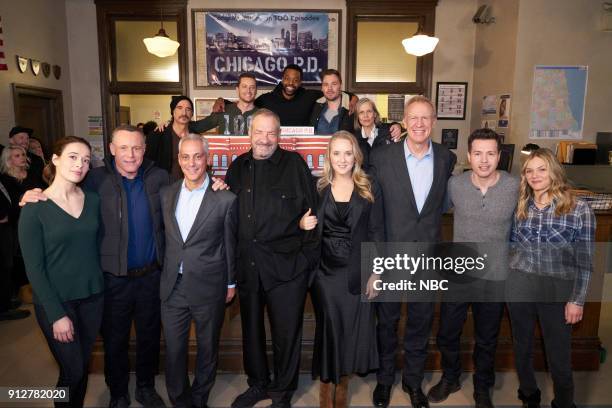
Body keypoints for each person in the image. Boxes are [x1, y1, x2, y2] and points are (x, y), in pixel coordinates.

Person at [20, 125, 171, 408]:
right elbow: (59, 193)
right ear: (111, 150)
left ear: (145, 150)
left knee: (150, 337)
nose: (131, 154)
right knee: (112, 343)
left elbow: (186, 193)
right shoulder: (94, 181)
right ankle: (118, 392)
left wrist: (214, 184)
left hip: (149, 276)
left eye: (137, 147)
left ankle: (146, 387)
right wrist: (29, 194)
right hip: (111, 281)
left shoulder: (159, 177)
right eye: (123, 147)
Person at [225, 109, 319, 408]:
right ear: (250, 134)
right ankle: (258, 384)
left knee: (286, 333)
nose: (265, 139)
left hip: (287, 267)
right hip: (249, 266)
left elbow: (313, 215)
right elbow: (227, 213)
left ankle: (282, 390)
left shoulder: (295, 165)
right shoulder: (237, 167)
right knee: (251, 332)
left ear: (279, 135)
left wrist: (305, 262)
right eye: (260, 132)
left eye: (271, 133)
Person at [370, 96, 456, 408]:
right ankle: (384, 380)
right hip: (392, 254)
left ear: (433, 122)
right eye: (413, 118)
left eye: (426, 118)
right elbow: (375, 214)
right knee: (388, 323)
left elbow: (443, 205)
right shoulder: (382, 158)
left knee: (420, 323)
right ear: (404, 122)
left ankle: (413, 381)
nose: (419, 124)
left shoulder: (447, 158)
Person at [430, 129, 519, 408]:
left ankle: (482, 386)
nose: (484, 160)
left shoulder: (515, 186)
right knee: (447, 331)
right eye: (478, 153)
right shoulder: (454, 185)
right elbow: (431, 213)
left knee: (487, 337)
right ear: (469, 155)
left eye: (490, 153)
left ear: (499, 156)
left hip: (494, 276)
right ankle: (451, 377)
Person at [18, 136, 104, 408]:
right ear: (55, 159)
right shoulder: (34, 207)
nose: (80, 164)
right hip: (57, 302)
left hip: (93, 298)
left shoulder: (93, 200)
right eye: (73, 156)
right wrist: (57, 315)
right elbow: (34, 267)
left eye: (86, 160)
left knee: (81, 367)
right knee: (73, 370)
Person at [299, 131, 383, 408]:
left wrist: (376, 272)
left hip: (357, 271)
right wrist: (302, 226)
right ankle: (326, 390)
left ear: (356, 156)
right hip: (324, 272)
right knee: (330, 329)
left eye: (348, 153)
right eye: (337, 153)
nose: (343, 159)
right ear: (328, 157)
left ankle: (342, 386)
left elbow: (376, 232)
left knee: (350, 331)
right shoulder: (318, 187)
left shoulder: (369, 187)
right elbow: (302, 223)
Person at [508, 148, 594, 408]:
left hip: (557, 290)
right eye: (529, 170)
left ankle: (564, 403)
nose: (535, 175)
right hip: (520, 286)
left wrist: (577, 300)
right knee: (522, 348)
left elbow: (586, 261)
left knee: (558, 355)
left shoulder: (578, 209)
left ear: (554, 171)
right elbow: (513, 245)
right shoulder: (521, 205)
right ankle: (529, 395)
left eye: (541, 169)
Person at [160, 133, 238, 408]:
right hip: (173, 286)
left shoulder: (225, 198)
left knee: (207, 349)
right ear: (178, 160)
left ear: (207, 159)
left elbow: (230, 244)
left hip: (210, 286)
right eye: (185, 156)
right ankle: (180, 400)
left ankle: (200, 396)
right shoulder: (166, 194)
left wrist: (230, 283)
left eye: (197, 156)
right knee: (174, 350)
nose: (191, 162)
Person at [145, 95, 194, 180]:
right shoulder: (158, 135)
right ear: (172, 111)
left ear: (192, 114)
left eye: (188, 109)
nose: (184, 113)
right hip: (164, 189)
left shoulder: (195, 137)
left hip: (190, 188)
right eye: (179, 108)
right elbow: (147, 165)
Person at [352, 98, 402, 167]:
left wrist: (398, 126)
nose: (365, 116)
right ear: (357, 116)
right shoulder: (353, 139)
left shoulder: (389, 132)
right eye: (361, 112)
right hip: (363, 177)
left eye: (369, 111)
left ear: (375, 114)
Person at [308, 69, 355, 135]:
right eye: (326, 84)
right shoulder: (317, 105)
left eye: (334, 84)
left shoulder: (352, 106)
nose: (329, 88)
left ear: (340, 85)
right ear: (322, 87)